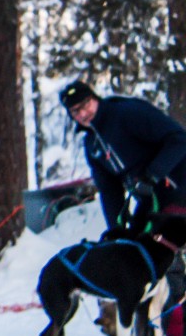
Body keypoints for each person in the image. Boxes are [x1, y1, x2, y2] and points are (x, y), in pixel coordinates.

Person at [60, 80, 186, 228]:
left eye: (85, 105)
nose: (82, 114)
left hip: (177, 183)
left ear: (95, 98)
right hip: (151, 198)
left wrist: (153, 174)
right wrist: (115, 228)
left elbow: (179, 140)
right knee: (135, 241)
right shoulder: (92, 144)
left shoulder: (125, 113)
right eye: (75, 111)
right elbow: (110, 190)